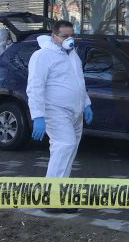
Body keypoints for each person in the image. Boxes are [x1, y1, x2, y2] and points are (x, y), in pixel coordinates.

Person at [27, 20, 93, 184]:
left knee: (70, 149)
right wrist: (38, 116)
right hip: (55, 110)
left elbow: (79, 81)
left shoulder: (72, 54)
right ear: (54, 36)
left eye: (72, 35)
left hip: (75, 112)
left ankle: (61, 188)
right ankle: (51, 191)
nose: (69, 39)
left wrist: (86, 104)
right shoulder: (42, 56)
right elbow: (35, 87)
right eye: (65, 36)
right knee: (64, 145)